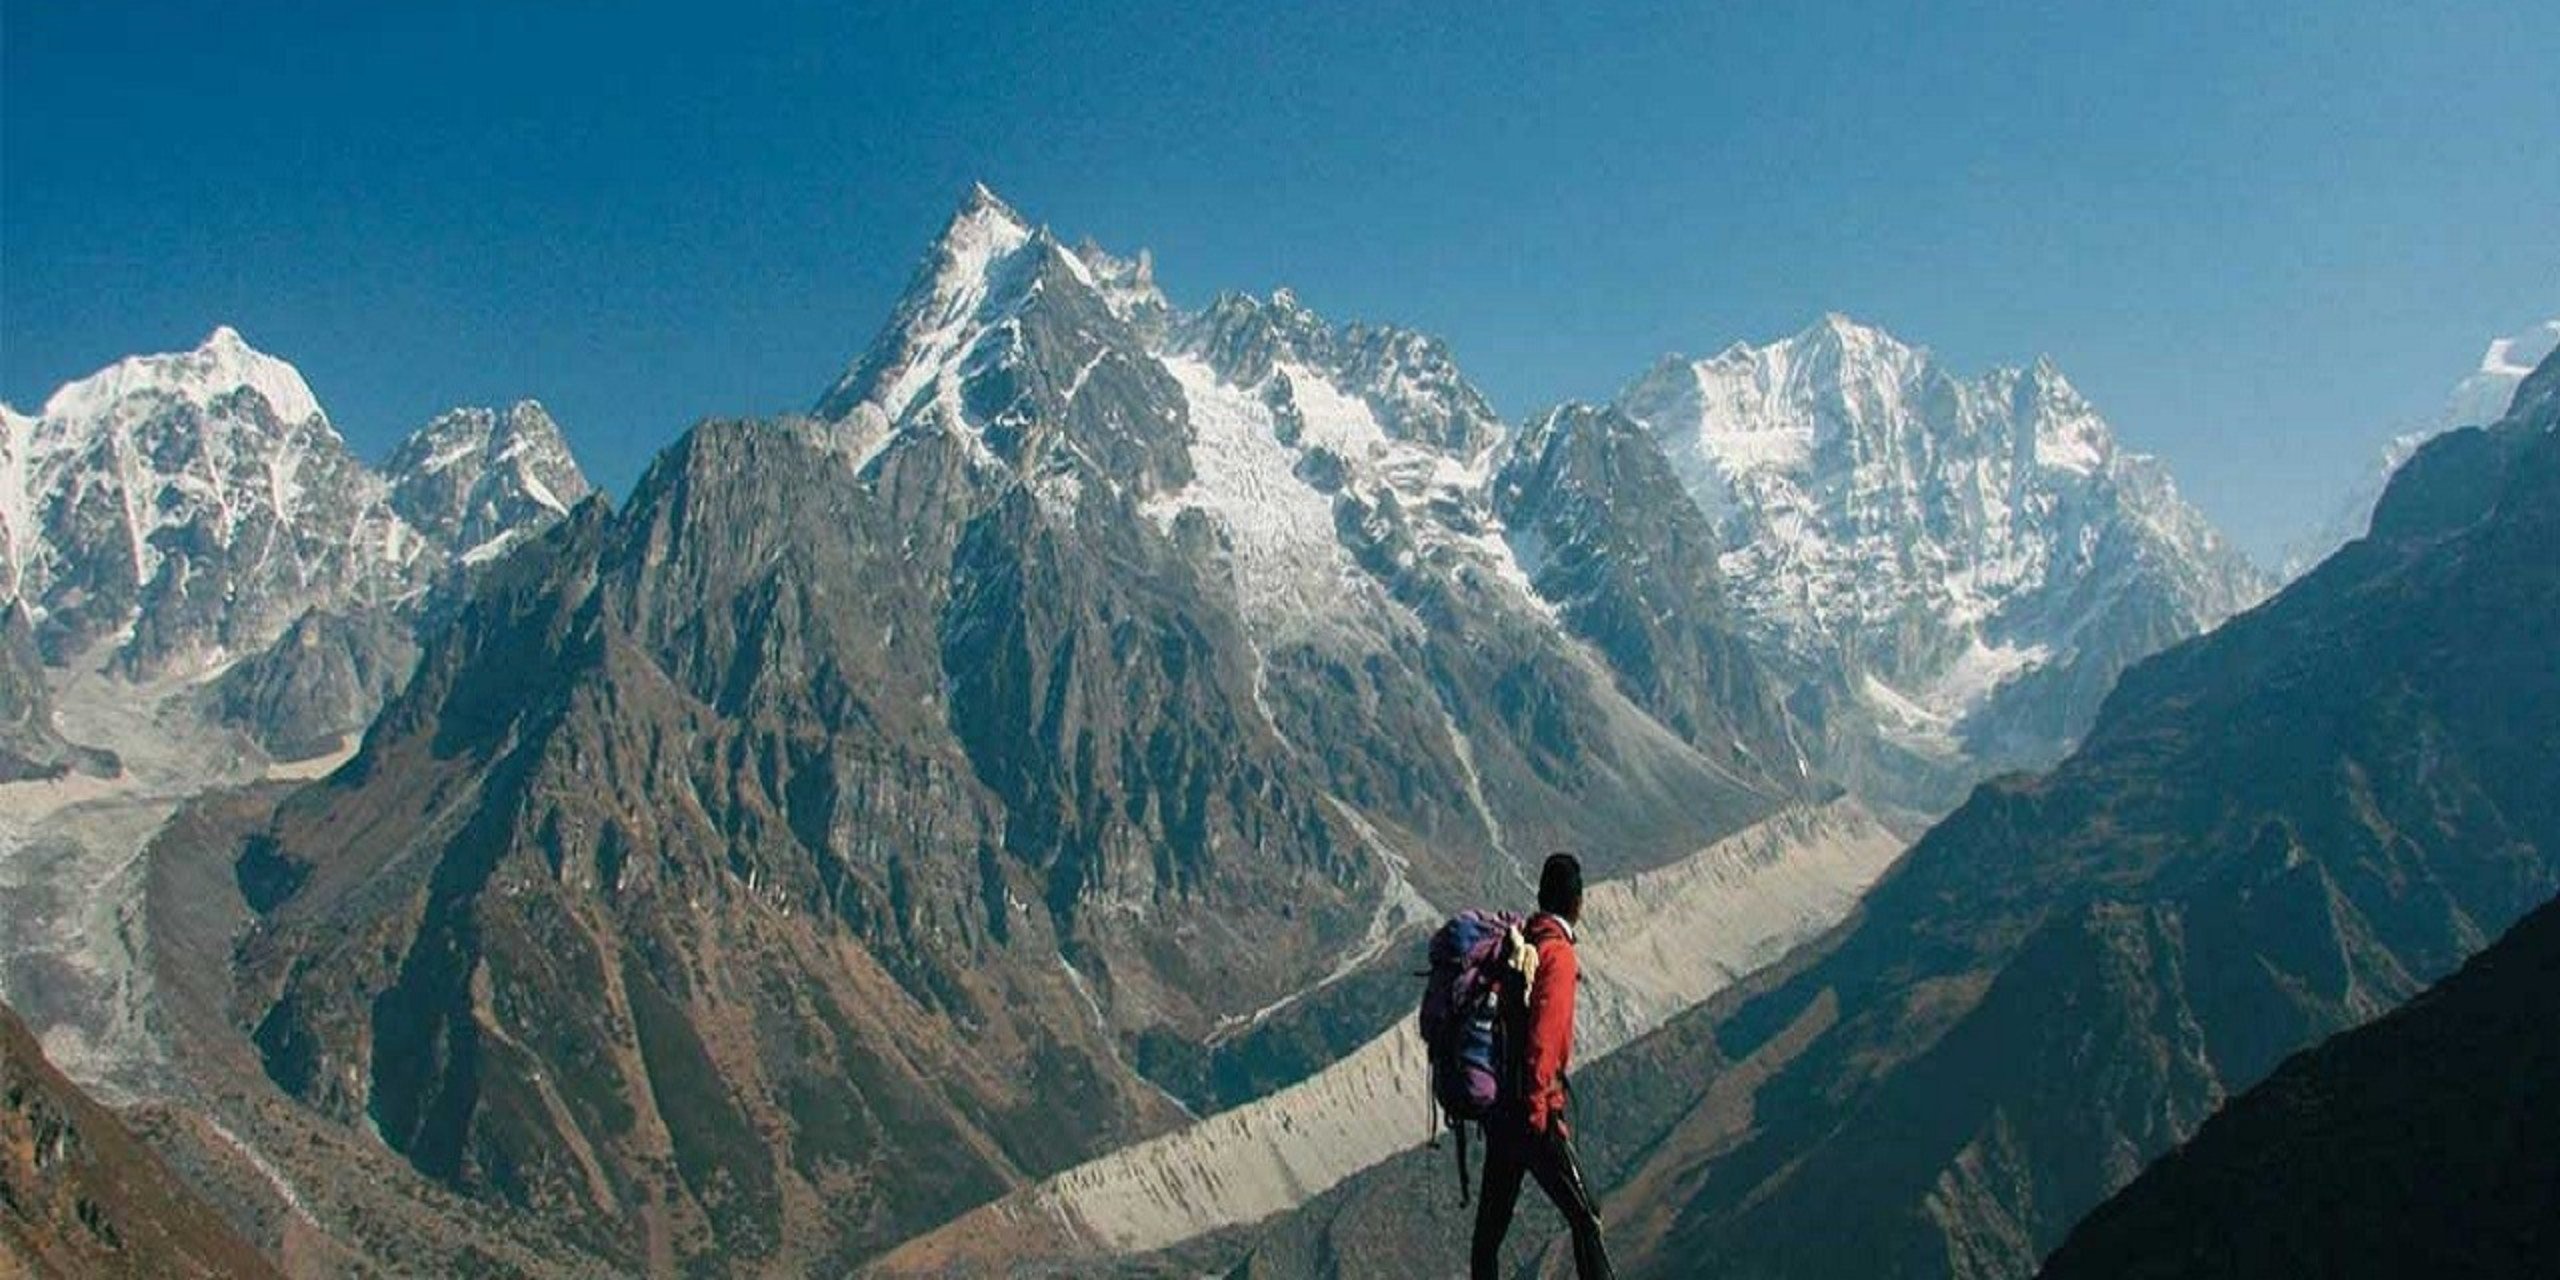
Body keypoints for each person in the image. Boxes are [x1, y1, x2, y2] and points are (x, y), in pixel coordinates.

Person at [1472, 851, 1616, 1279]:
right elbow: (1544, 1040)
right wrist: (1539, 1112)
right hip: (1531, 1113)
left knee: (1489, 1234)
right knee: (1586, 1213)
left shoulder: (1524, 942)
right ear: (1577, 902)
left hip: (1502, 1110)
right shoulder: (1557, 955)